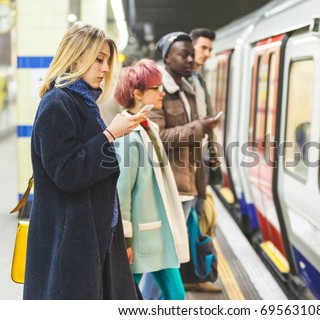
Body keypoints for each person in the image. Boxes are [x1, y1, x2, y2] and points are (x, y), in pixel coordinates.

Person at [24, 22, 148, 299]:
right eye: (98, 59)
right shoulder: (57, 104)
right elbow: (67, 173)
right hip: (72, 241)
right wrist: (110, 134)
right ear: (76, 57)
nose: (105, 69)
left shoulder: (82, 103)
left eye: (107, 61)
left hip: (94, 234)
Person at [150, 32, 221, 293]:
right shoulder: (160, 92)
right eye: (184, 54)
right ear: (167, 57)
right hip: (171, 189)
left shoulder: (186, 90)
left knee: (170, 259)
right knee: (163, 261)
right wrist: (199, 127)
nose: (191, 59)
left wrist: (202, 190)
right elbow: (157, 137)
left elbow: (194, 144)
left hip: (188, 187)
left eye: (192, 54)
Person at [114, 59, 190, 300]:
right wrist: (124, 240)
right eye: (156, 88)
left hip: (158, 232)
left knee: (175, 295)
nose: (163, 92)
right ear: (137, 93)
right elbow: (121, 191)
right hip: (140, 237)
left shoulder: (149, 128)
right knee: (127, 297)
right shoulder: (128, 137)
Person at [189, 28, 222, 214]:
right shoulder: (181, 80)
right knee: (193, 213)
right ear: (190, 47)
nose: (207, 54)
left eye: (210, 50)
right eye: (203, 48)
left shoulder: (198, 79)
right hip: (189, 158)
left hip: (203, 153)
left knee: (198, 211)